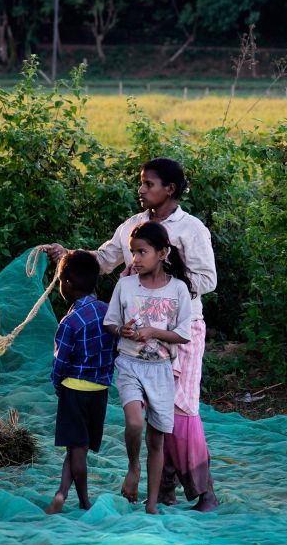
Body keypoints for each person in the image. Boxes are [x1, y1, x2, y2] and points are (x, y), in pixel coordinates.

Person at [44, 157, 219, 511]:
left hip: (178, 333)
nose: (141, 190)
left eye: (149, 184)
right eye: (141, 183)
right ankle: (164, 491)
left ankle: (204, 491)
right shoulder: (133, 227)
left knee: (180, 410)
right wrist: (70, 256)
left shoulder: (191, 230)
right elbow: (105, 258)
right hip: (136, 338)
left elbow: (208, 280)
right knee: (154, 412)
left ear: (169, 189)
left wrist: (163, 277)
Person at [102, 221, 194, 514]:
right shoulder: (125, 285)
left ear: (163, 252)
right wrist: (122, 331)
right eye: (132, 253)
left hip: (161, 371)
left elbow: (183, 334)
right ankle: (133, 467)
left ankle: (152, 503)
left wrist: (153, 331)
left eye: (142, 252)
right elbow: (110, 323)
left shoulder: (178, 290)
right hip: (129, 365)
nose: (136, 259)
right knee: (135, 423)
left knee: (157, 440)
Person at [46, 250, 116, 514]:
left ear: (67, 283)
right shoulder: (109, 313)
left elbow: (60, 363)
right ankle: (61, 493)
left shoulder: (70, 321)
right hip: (99, 391)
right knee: (77, 448)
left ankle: (84, 501)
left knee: (76, 449)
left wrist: (57, 386)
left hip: (73, 389)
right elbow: (115, 348)